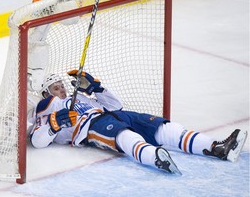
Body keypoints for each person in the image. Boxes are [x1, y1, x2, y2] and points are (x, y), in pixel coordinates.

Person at [29, 70, 247, 175]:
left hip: (117, 115)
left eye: (61, 85)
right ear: (45, 94)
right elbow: (38, 141)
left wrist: (96, 88)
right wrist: (53, 125)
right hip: (93, 128)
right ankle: (155, 159)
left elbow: (116, 105)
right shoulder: (47, 110)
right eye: (55, 88)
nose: (62, 89)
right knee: (125, 137)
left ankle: (217, 148)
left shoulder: (79, 97)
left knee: (164, 128)